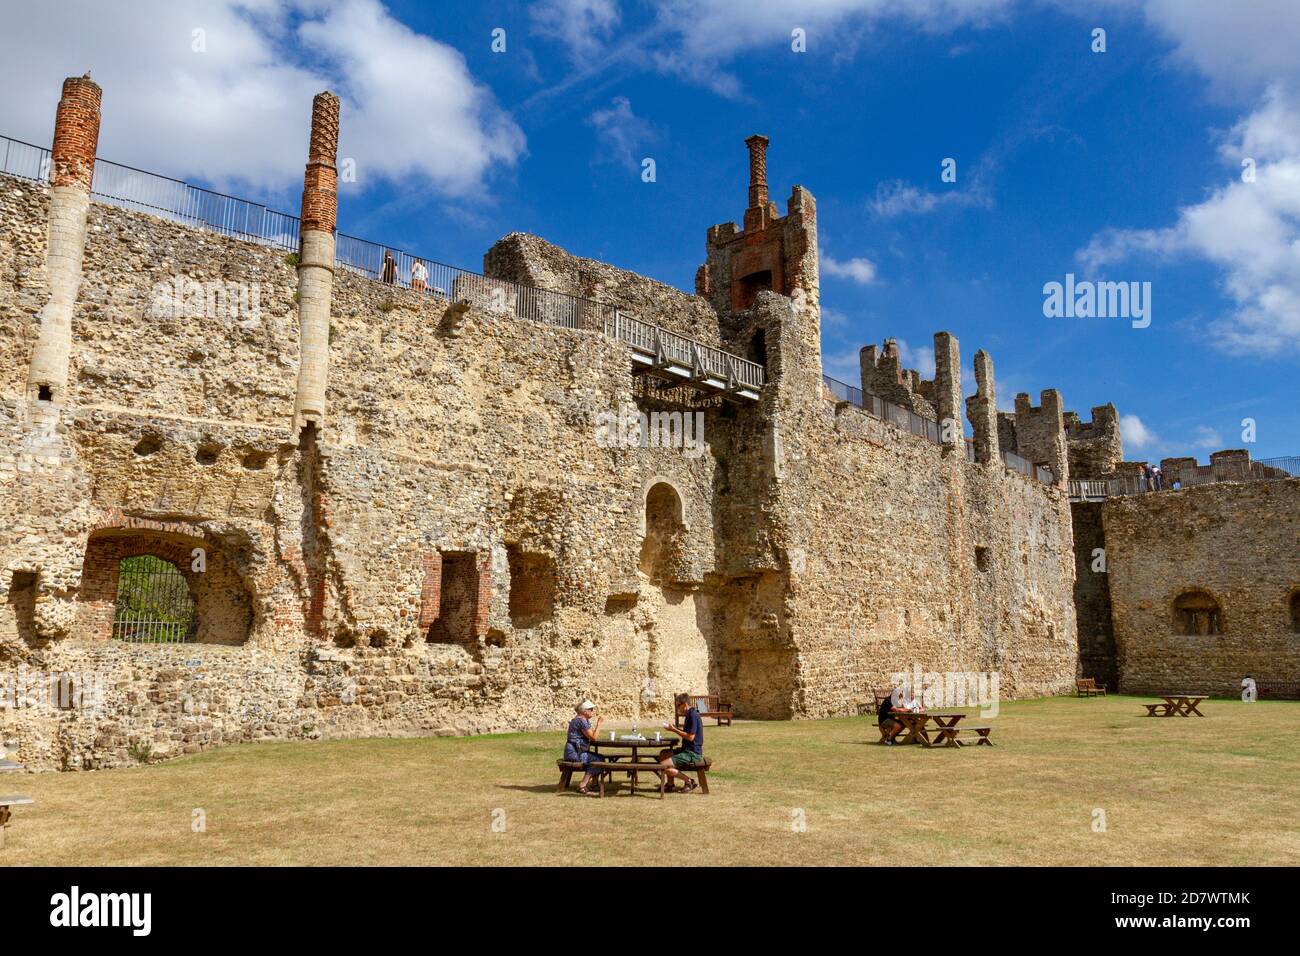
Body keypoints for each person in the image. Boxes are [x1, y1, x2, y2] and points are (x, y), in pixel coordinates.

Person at [659, 693, 707, 793]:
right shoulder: (689, 715)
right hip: (686, 750)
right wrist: (673, 728)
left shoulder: (693, 715)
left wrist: (674, 730)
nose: (677, 708)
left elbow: (690, 737)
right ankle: (670, 784)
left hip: (692, 753)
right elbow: (688, 733)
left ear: (684, 704)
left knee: (663, 766)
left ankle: (689, 781)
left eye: (678, 705)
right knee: (664, 754)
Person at [564, 700, 606, 795]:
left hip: (574, 752)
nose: (592, 711)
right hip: (575, 754)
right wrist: (599, 724)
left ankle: (594, 784)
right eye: (591, 709)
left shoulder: (580, 720)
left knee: (601, 758)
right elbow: (594, 737)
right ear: (584, 711)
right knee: (598, 761)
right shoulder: (581, 721)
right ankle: (582, 786)